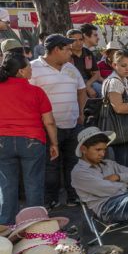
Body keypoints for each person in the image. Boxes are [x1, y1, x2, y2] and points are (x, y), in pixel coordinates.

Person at [30, 34, 87, 209]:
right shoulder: (33, 68)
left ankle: (73, 197)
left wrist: (80, 113)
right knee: (50, 167)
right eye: (67, 49)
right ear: (56, 49)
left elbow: (82, 90)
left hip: (73, 125)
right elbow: (27, 96)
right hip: (47, 128)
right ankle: (50, 200)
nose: (71, 53)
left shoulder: (71, 68)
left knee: (73, 163)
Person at [0, 54, 58, 225]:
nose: (31, 69)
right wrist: (54, 143)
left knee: (6, 186)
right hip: (32, 141)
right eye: (28, 67)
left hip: (2, 141)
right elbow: (49, 121)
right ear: (20, 71)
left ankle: (5, 228)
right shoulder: (36, 91)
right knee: (34, 184)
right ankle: (35, 226)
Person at [77, 24, 103, 97]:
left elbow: (96, 74)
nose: (98, 38)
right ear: (85, 36)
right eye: (95, 35)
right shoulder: (75, 52)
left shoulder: (88, 52)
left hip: (88, 83)